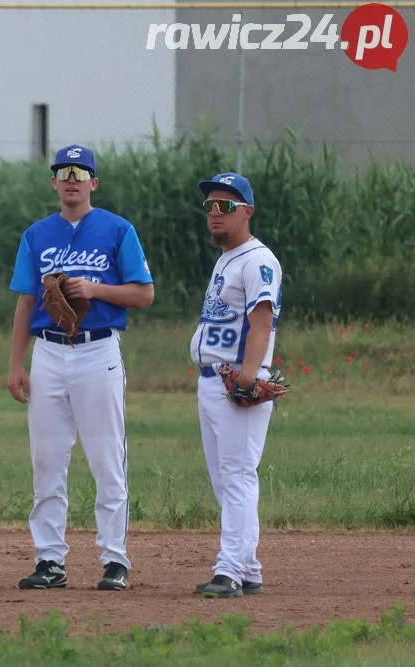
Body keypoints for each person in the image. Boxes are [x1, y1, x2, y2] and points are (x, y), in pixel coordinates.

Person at [7, 144, 154, 591]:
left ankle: (115, 561)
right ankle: (49, 561)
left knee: (106, 458)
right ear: (53, 181)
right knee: (47, 460)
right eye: (63, 170)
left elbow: (144, 294)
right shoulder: (36, 235)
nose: (72, 178)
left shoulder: (117, 230)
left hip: (98, 352)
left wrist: (95, 289)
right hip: (48, 353)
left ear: (94, 182)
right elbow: (26, 300)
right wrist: (16, 363)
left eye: (81, 171)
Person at [190, 172, 283, 598]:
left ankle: (229, 571)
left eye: (225, 206)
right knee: (225, 479)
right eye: (210, 204)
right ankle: (248, 568)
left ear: (247, 212)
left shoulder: (257, 260)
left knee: (238, 477)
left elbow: (261, 322)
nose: (215, 212)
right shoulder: (227, 257)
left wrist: (247, 377)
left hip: (235, 383)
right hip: (212, 381)